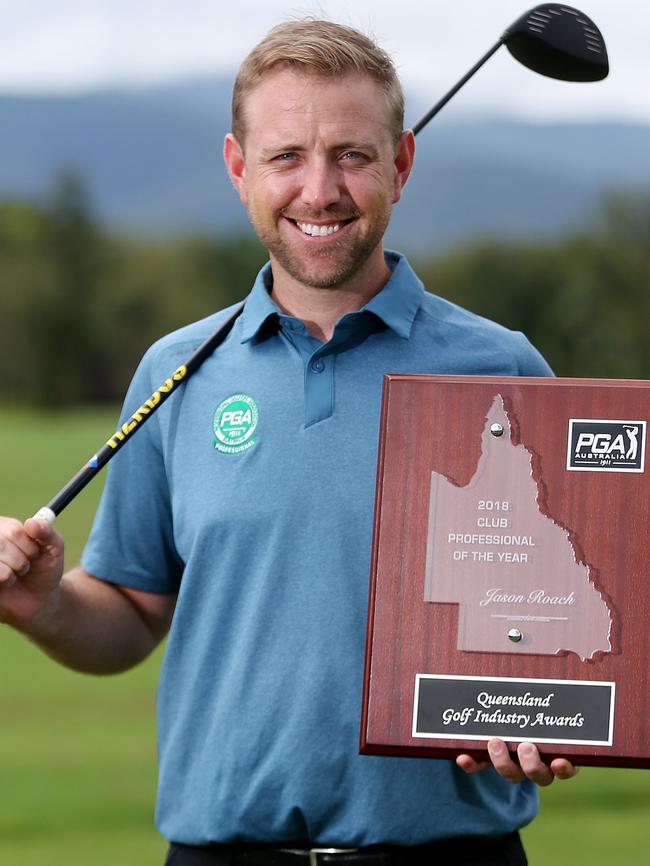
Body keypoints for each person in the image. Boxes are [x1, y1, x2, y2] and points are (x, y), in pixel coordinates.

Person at [0, 19, 577, 866]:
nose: (320, 189)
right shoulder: (176, 371)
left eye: (351, 154)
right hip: (219, 852)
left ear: (400, 165)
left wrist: (550, 710)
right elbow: (130, 613)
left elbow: (562, 611)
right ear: (239, 169)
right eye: (285, 157)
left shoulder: (503, 368)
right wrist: (45, 606)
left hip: (450, 852)